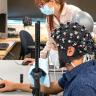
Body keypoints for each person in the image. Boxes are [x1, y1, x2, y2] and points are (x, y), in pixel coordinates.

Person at [0, 22, 96, 96]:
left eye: (54, 46)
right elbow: (52, 88)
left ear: (70, 51)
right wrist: (15, 85)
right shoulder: (79, 70)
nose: (51, 50)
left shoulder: (82, 87)